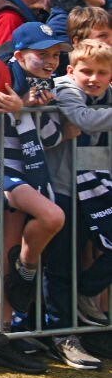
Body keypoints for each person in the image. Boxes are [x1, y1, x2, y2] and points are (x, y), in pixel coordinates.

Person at [0, 21, 71, 368]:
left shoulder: (46, 85)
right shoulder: (1, 75)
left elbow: (49, 137)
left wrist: (32, 110)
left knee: (8, 252)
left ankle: (6, 328)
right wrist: (21, 108)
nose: (50, 61)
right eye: (42, 54)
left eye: (56, 54)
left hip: (27, 172)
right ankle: (0, 325)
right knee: (44, 222)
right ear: (18, 54)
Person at [46, 38, 112, 361]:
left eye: (102, 73)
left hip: (93, 182)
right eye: (86, 71)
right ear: (71, 70)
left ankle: (85, 293)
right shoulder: (65, 88)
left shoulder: (107, 93)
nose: (93, 79)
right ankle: (62, 335)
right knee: (61, 263)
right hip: (60, 187)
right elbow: (84, 119)